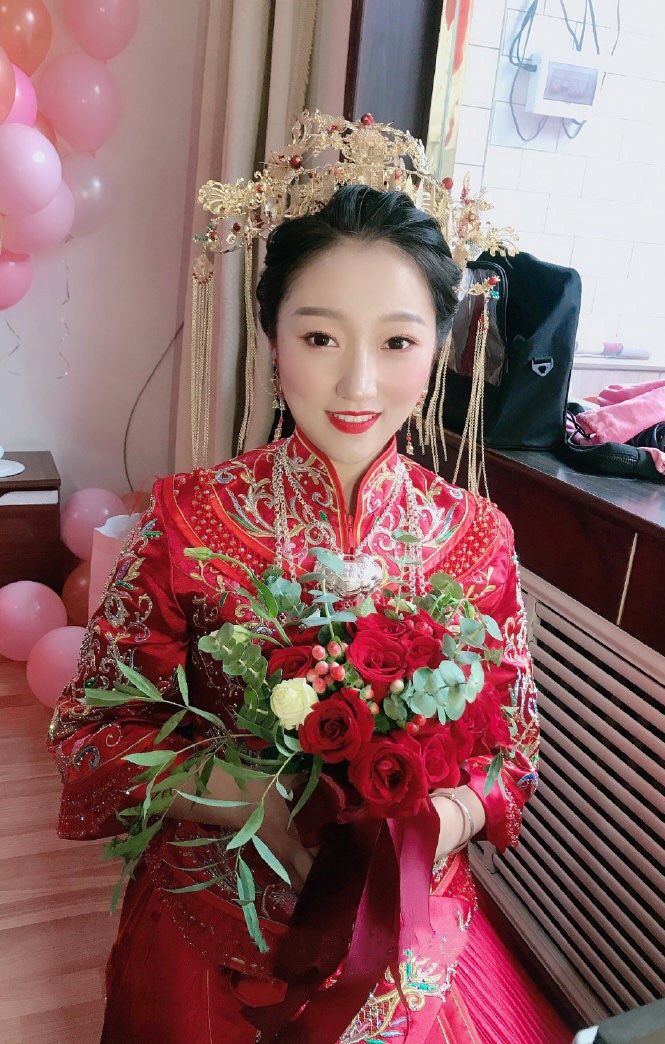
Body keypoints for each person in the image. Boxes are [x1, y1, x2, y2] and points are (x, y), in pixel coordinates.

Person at [47, 116, 539, 1044]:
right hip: (213, 925)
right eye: (319, 337)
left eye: (397, 342)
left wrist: (429, 822)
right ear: (272, 337)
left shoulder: (476, 536)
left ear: (440, 347)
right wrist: (249, 795)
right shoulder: (189, 520)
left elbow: (511, 755)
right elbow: (92, 738)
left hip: (410, 935)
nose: (358, 384)